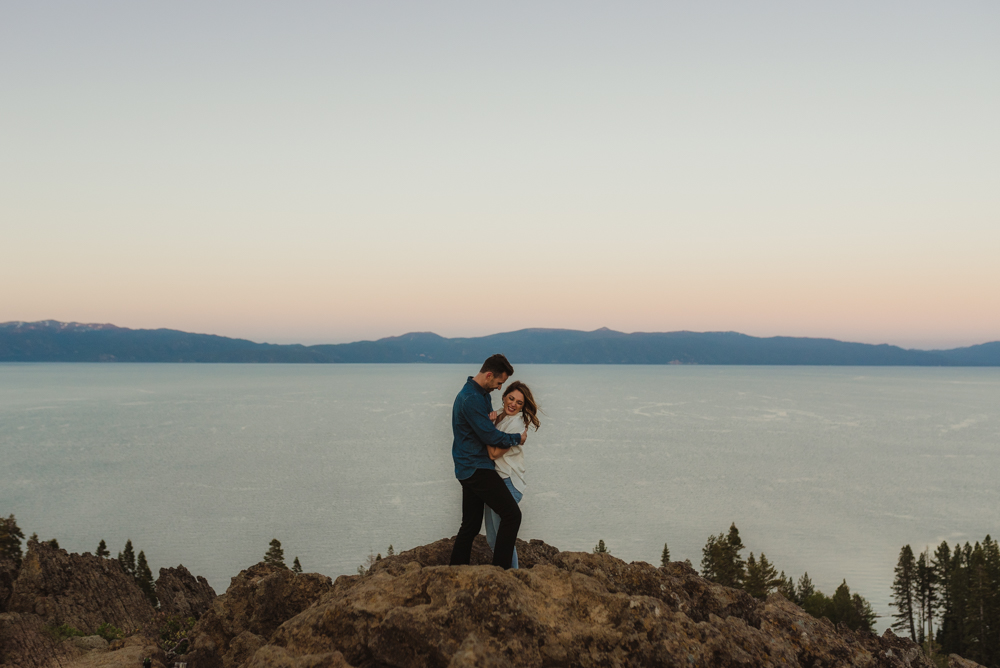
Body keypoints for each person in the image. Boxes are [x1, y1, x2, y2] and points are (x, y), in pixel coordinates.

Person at [448, 354, 527, 569]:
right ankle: (501, 571)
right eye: (500, 382)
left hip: (469, 467)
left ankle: (456, 570)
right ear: (489, 375)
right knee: (512, 515)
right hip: (476, 468)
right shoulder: (471, 398)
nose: (501, 388)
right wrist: (517, 439)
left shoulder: (480, 394)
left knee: (471, 526)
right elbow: (490, 438)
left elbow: (487, 430)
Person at [483, 381, 540, 569]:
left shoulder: (516, 424)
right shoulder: (500, 415)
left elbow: (493, 454)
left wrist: (488, 427)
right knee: (493, 539)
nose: (513, 404)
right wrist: (491, 422)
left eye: (519, 403)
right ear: (504, 395)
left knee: (503, 540)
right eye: (511, 398)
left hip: (508, 483)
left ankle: (513, 578)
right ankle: (506, 574)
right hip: (495, 482)